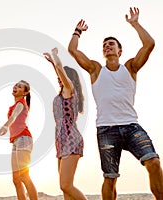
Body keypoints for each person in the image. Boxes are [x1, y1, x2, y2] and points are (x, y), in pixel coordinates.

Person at [68, 7, 163, 199]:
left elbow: (149, 44)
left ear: (120, 50)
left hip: (131, 127)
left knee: (153, 162)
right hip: (106, 130)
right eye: (104, 45)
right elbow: (73, 50)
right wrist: (77, 31)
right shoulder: (95, 69)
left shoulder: (130, 67)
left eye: (111, 44)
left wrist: (135, 24)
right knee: (110, 178)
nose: (107, 46)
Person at [44, 48, 86, 200]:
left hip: (71, 139)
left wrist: (55, 57)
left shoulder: (69, 90)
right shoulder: (62, 93)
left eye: (62, 76)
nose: (59, 77)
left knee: (66, 185)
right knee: (65, 189)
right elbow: (60, 72)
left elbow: (61, 70)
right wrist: (52, 64)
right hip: (61, 141)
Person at [0, 80, 38, 200]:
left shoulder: (21, 103)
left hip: (23, 139)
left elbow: (14, 116)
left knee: (24, 176)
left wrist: (5, 125)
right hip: (16, 141)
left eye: (19, 87)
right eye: (16, 85)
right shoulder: (16, 104)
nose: (15, 87)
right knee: (16, 179)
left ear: (25, 93)